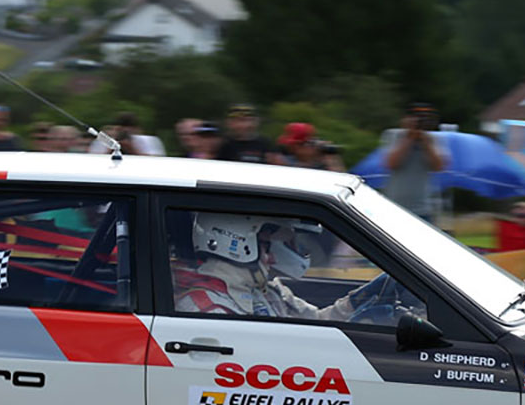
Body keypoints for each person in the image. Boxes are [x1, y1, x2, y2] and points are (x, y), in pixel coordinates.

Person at [173, 212, 409, 322]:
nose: (272, 259)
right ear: (234, 244)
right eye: (266, 247)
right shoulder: (205, 307)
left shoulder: (267, 290)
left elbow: (316, 321)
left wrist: (354, 304)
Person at [380, 102, 447, 221]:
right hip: (394, 206)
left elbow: (438, 167)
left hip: (422, 209)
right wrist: (410, 138)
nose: (418, 122)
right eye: (415, 118)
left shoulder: (433, 139)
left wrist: (425, 142)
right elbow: (391, 163)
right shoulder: (393, 135)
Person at [88, 111, 165, 156]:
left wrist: (131, 149)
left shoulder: (148, 141)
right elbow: (95, 161)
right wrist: (112, 148)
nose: (125, 131)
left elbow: (155, 161)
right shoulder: (103, 141)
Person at [278, 122, 346, 171]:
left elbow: (339, 179)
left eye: (299, 145)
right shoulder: (283, 161)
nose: (292, 148)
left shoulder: (325, 163)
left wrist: (331, 156)